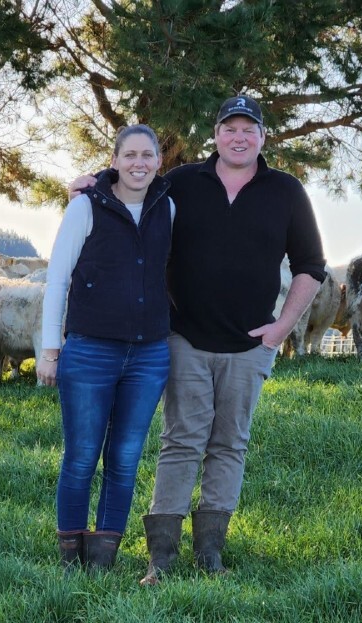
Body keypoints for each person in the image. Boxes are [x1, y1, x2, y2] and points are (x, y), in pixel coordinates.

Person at [69, 95, 326, 585]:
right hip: (184, 336)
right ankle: (160, 558)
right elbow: (129, 190)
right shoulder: (182, 183)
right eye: (229, 128)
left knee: (230, 443)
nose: (238, 137)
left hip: (251, 346)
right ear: (216, 135)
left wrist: (281, 327)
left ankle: (210, 552)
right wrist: (88, 184)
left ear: (262, 137)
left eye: (248, 129)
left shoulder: (287, 191)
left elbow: (311, 267)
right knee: (181, 442)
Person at [38, 124, 176, 571]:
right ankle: (68, 558)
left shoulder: (167, 207)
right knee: (81, 456)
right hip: (90, 349)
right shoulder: (86, 207)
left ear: (159, 163)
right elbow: (58, 278)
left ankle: (103, 558)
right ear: (113, 161)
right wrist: (49, 348)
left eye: (147, 156)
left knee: (125, 458)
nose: (139, 164)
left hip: (149, 353)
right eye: (130, 155)